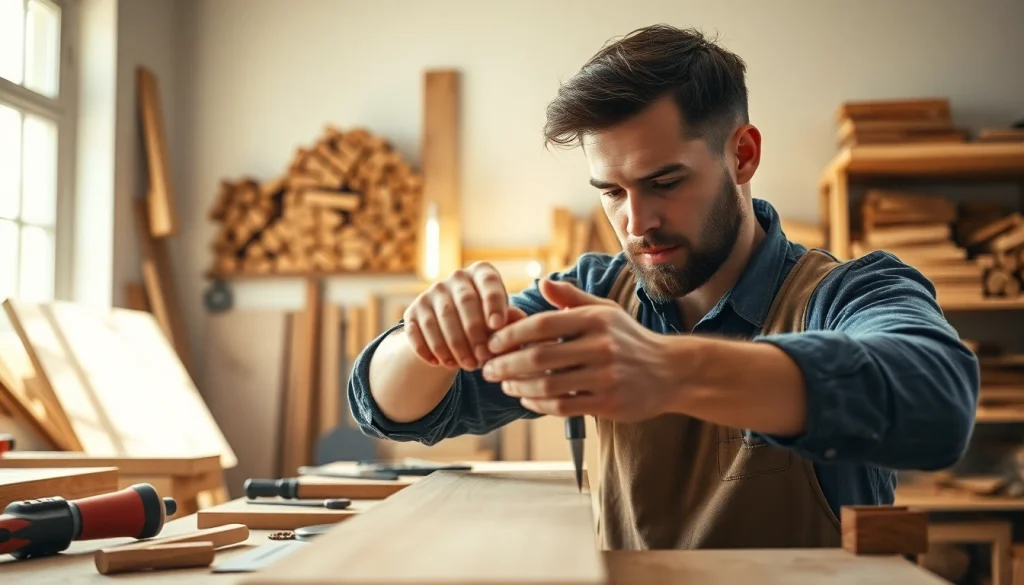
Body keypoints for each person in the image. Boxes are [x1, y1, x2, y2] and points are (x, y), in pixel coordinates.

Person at [347, 24, 979, 550]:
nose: (637, 222)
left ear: (743, 155)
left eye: (666, 182)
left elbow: (939, 402)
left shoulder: (848, 294)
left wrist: (669, 370)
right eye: (613, 193)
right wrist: (425, 339)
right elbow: (391, 407)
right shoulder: (592, 293)